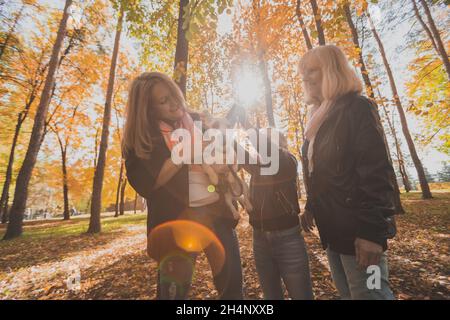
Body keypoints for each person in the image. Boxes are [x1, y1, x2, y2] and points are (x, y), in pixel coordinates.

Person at [122, 72, 243, 300]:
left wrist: (225, 158)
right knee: (173, 295)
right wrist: (186, 151)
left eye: (174, 95)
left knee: (232, 289)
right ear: (149, 110)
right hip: (175, 222)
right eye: (163, 101)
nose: (174, 103)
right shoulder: (142, 137)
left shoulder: (197, 120)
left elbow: (229, 149)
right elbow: (148, 184)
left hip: (217, 214)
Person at [298, 45, 396, 300]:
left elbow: (376, 172)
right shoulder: (316, 120)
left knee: (373, 294)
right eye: (302, 72)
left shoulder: (357, 108)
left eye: (312, 70)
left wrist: (372, 233)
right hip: (333, 233)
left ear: (332, 70)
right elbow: (321, 172)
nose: (304, 77)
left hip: (359, 235)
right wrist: (310, 206)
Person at [240, 125, 314, 300]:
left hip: (288, 239)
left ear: (278, 143)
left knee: (301, 295)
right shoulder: (257, 168)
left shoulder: (288, 160)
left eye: (266, 140)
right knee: (271, 296)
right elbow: (238, 153)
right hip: (259, 239)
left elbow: (274, 157)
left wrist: (249, 128)